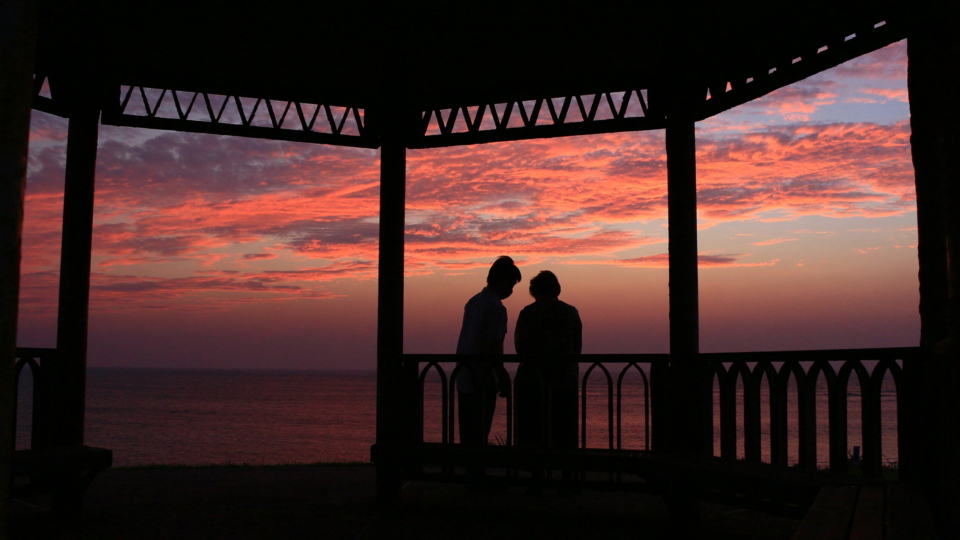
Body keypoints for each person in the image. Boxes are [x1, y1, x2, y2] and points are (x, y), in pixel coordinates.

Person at [455, 256, 521, 447]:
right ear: (503, 281)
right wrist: (501, 375)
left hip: (464, 373)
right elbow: (495, 344)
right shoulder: (496, 307)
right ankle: (477, 470)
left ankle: (469, 469)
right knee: (480, 428)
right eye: (511, 284)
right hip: (482, 375)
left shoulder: (474, 301)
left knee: (467, 430)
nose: (511, 290)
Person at [514, 270, 582, 450]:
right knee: (563, 429)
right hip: (564, 378)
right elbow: (577, 347)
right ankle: (567, 472)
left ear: (534, 291)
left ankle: (535, 471)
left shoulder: (527, 313)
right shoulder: (571, 312)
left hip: (531, 379)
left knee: (532, 430)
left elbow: (520, 347)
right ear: (557, 289)